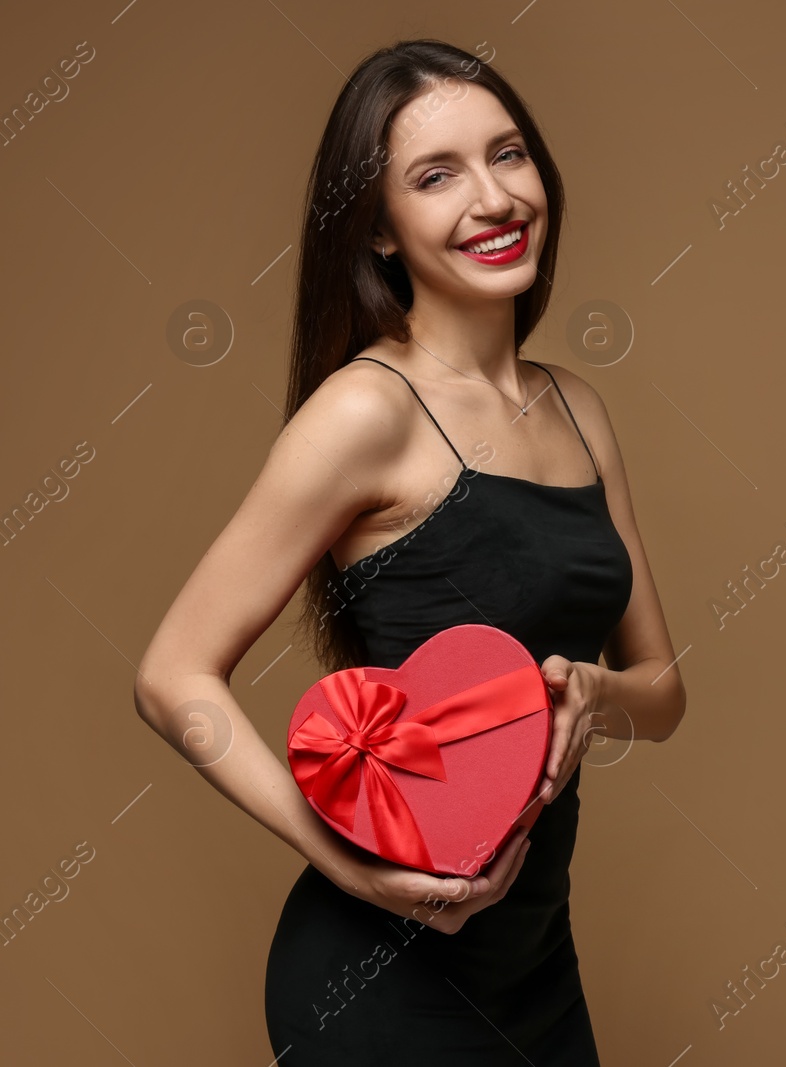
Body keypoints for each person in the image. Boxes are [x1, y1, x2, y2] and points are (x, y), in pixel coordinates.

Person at [132, 39, 686, 1065]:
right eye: (437, 176)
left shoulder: (580, 408)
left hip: (534, 968)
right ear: (380, 233)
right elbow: (171, 675)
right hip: (376, 985)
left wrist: (587, 692)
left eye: (507, 154)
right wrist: (344, 866)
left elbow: (664, 688)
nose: (493, 197)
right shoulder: (363, 413)